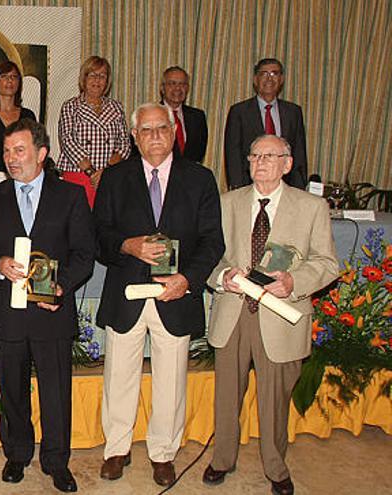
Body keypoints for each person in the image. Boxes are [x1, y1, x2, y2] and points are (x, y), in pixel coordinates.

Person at [93, 103, 224, 487]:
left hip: (176, 295)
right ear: (134, 137)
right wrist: (127, 246)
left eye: (161, 128)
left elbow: (213, 242)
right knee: (119, 376)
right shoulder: (115, 178)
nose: (154, 136)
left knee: (171, 380)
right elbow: (98, 237)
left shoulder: (200, 179)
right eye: (145, 130)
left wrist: (188, 278)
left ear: (173, 132)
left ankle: (163, 452)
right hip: (127, 296)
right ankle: (116, 448)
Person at [203, 135, 337, 495]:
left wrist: (294, 281)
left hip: (281, 314)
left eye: (269, 156)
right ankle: (222, 459)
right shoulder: (226, 203)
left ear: (287, 164)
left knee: (275, 399)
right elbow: (208, 255)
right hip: (233, 311)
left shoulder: (311, 207)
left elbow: (327, 263)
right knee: (227, 395)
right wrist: (222, 277)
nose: (260, 162)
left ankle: (276, 466)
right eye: (254, 155)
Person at [0, 118, 94, 493]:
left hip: (52, 311)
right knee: (13, 389)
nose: (11, 158)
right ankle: (17, 453)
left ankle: (56, 460)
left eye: (19, 150)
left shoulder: (70, 196)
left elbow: (85, 254)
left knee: (56, 391)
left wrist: (61, 287)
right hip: (9, 310)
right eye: (6, 151)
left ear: (41, 153)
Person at [224, 58, 308, 190]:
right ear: (255, 80)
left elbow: (299, 154)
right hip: (250, 186)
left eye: (274, 73)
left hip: (286, 188)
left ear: (281, 79)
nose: (269, 79)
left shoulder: (293, 112)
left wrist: (299, 188)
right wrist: (239, 189)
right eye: (264, 74)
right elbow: (233, 154)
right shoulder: (239, 112)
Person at [57, 56, 130, 207]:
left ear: (107, 81)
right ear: (84, 78)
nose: (97, 80)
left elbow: (125, 145)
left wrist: (105, 172)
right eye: (92, 75)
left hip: (109, 177)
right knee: (78, 224)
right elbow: (67, 141)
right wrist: (92, 173)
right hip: (79, 174)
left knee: (105, 224)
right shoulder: (71, 106)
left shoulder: (116, 107)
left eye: (102, 76)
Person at [160, 66, 208, 163]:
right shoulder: (150, 115)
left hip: (189, 175)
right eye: (172, 83)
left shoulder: (197, 117)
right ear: (162, 88)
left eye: (182, 84)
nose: (178, 88)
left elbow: (199, 154)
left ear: (187, 88)